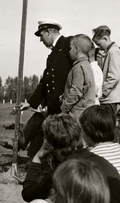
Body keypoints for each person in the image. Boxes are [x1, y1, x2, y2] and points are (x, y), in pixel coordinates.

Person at [4, 20, 73, 158]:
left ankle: (33, 159)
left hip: (64, 103)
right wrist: (31, 103)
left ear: (48, 32)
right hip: (52, 103)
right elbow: (45, 82)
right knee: (39, 129)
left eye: (41, 35)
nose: (41, 40)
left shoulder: (68, 43)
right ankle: (33, 164)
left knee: (50, 133)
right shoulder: (53, 54)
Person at [60, 34, 96, 120]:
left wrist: (63, 109)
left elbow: (76, 92)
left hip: (76, 114)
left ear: (77, 49)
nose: (69, 51)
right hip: (85, 112)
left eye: (70, 48)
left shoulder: (78, 67)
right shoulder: (86, 65)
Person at [92, 25, 120, 114]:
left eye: (99, 44)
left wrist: (101, 93)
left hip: (110, 99)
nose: (99, 47)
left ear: (105, 39)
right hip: (108, 98)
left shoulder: (114, 52)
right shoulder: (110, 51)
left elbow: (114, 77)